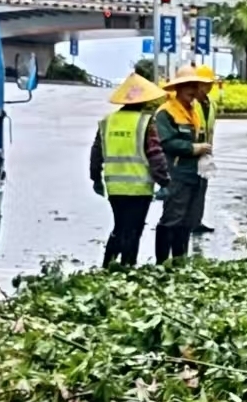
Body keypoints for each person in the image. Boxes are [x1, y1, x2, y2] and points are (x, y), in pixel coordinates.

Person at [89, 73, 172, 267]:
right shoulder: (145, 122)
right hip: (139, 188)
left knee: (120, 226)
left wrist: (96, 179)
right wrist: (164, 181)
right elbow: (155, 154)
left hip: (115, 188)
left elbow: (96, 154)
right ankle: (128, 266)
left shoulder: (108, 122)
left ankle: (108, 265)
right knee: (134, 229)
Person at [152, 65, 216, 262]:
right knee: (172, 218)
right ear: (178, 88)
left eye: (194, 86)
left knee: (187, 221)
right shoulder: (166, 112)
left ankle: (180, 261)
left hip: (194, 173)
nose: (192, 90)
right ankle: (162, 263)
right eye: (188, 86)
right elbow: (165, 142)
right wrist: (192, 148)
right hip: (176, 173)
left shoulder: (192, 111)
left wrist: (203, 156)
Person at [193, 65, 220, 235]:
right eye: (205, 83)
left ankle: (197, 221)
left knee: (202, 188)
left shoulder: (211, 104)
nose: (208, 87)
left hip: (205, 154)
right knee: (191, 190)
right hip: (190, 152)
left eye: (210, 83)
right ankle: (187, 222)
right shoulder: (190, 103)